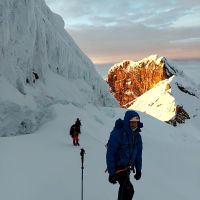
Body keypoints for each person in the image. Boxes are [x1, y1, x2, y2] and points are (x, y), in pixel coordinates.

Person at [106, 110, 143, 200]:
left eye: (136, 123)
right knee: (128, 189)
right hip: (118, 168)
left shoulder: (137, 136)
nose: (134, 125)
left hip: (127, 168)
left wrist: (138, 170)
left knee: (125, 189)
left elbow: (138, 155)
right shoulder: (118, 134)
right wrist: (111, 173)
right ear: (127, 122)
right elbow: (110, 153)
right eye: (132, 123)